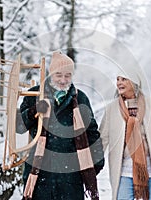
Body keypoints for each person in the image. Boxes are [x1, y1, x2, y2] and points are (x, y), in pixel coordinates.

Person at [20, 51, 104, 200]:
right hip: (40, 176)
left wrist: (94, 166)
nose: (63, 80)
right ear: (50, 74)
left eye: (68, 75)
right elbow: (18, 126)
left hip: (70, 178)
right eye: (59, 75)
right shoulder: (35, 95)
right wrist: (34, 111)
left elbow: (92, 133)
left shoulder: (80, 98)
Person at [99, 69, 151, 200]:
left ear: (134, 82)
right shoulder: (112, 109)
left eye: (124, 79)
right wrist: (90, 165)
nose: (119, 83)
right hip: (123, 171)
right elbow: (102, 139)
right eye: (118, 79)